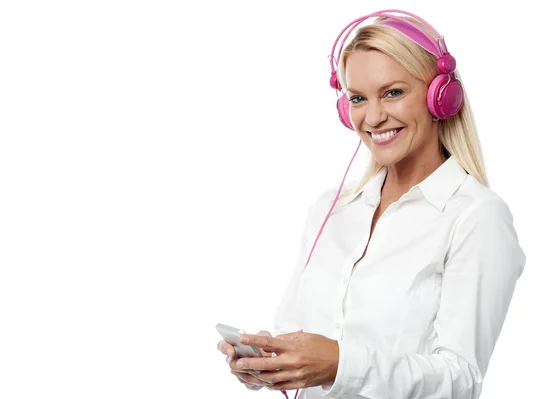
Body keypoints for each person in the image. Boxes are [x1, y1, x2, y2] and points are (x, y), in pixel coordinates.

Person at [216, 9, 525, 399]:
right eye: (358, 98)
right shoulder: (332, 208)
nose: (374, 117)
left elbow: (460, 379)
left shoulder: (476, 216)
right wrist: (269, 360)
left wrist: (341, 363)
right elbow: (297, 329)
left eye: (393, 92)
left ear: (440, 98)